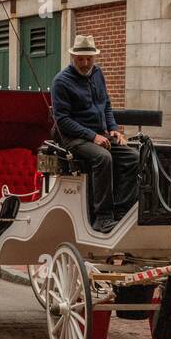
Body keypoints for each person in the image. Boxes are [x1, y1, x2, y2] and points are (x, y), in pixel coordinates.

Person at [50, 34, 139, 231]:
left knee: (134, 157)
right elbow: (63, 120)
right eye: (80, 59)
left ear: (94, 58)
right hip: (73, 138)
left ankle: (122, 210)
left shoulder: (98, 73)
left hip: (100, 135)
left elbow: (106, 104)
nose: (85, 63)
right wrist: (93, 136)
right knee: (103, 158)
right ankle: (102, 217)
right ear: (73, 57)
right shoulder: (61, 82)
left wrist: (114, 129)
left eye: (89, 58)